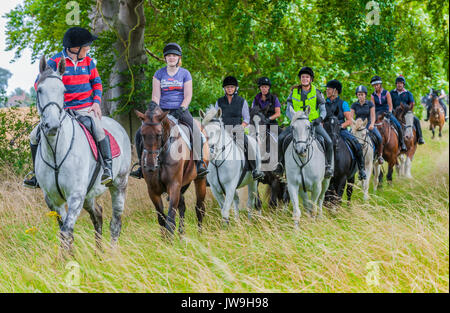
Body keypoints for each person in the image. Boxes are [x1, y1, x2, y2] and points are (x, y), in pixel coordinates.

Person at [23, 27, 112, 188]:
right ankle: (36, 174)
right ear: (75, 48)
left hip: (85, 108)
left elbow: (97, 83)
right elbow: (38, 83)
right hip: (62, 111)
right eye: (86, 46)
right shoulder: (54, 62)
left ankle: (107, 168)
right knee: (33, 135)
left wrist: (96, 102)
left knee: (99, 130)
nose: (89, 49)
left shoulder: (89, 62)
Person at [130, 43, 208, 179]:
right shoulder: (159, 74)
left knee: (196, 131)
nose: (171, 58)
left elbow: (188, 95)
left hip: (181, 109)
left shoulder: (185, 74)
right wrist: (154, 106)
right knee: (139, 133)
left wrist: (182, 108)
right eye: (169, 56)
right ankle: (141, 166)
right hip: (162, 111)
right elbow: (155, 95)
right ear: (165, 58)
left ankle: (199, 163)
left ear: (179, 58)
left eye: (174, 55)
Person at [274, 67, 333, 179]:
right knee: (281, 138)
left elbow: (323, 109)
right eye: (302, 77)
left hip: (313, 124)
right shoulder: (293, 92)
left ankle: (328, 166)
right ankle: (280, 165)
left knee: (328, 141)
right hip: (297, 124)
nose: (304, 79)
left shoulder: (317, 92)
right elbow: (287, 109)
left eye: (307, 77)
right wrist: (294, 119)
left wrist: (320, 118)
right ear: (300, 79)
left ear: (311, 79)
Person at [214, 76, 264, 180]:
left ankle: (255, 170)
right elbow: (215, 117)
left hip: (237, 130)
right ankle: (210, 175)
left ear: (235, 88)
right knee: (211, 146)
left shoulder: (242, 101)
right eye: (227, 87)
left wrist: (240, 127)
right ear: (224, 88)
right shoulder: (219, 102)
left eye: (232, 87)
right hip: (223, 131)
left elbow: (246, 119)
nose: (230, 89)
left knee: (248, 144)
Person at [324, 80, 366, 180]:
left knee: (356, 143)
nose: (326, 91)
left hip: (340, 130)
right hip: (326, 131)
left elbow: (349, 121)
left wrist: (340, 126)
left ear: (335, 90)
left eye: (328, 89)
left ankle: (361, 169)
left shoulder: (343, 104)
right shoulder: (323, 103)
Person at [370, 75, 407, 152]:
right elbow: (373, 107)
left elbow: (390, 105)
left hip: (386, 112)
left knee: (398, 125)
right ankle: (372, 146)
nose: (375, 87)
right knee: (370, 127)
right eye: (374, 85)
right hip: (377, 114)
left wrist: (390, 112)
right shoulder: (372, 96)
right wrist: (373, 117)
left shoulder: (386, 93)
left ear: (380, 84)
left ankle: (402, 143)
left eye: (377, 85)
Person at [351, 85, 384, 164]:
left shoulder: (370, 104)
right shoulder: (354, 105)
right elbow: (351, 117)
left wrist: (372, 124)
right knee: (349, 137)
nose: (360, 96)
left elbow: (373, 116)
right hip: (357, 126)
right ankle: (351, 156)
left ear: (365, 95)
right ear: (357, 95)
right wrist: (353, 127)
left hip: (368, 124)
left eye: (362, 94)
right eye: (359, 94)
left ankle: (379, 156)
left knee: (379, 137)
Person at [390, 75, 425, 144]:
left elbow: (412, 104)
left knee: (416, 120)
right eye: (398, 83)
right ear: (396, 84)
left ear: (403, 84)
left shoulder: (408, 94)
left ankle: (420, 138)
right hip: (394, 113)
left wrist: (409, 112)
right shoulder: (391, 93)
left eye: (401, 83)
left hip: (405, 113)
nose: (399, 85)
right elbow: (389, 103)